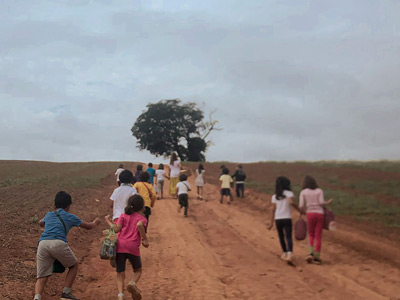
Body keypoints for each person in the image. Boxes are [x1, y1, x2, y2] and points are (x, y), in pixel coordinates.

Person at [34, 191, 101, 300]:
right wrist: (96, 222)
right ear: (69, 206)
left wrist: (44, 221)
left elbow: (41, 223)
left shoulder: (49, 214)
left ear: (54, 206)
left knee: (41, 277)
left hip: (42, 244)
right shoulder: (70, 217)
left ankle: (37, 297)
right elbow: (88, 226)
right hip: (58, 243)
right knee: (73, 265)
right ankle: (66, 293)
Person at [104, 195, 149, 300]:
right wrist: (145, 239)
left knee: (120, 273)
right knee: (138, 270)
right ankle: (132, 283)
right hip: (133, 247)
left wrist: (107, 220)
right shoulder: (142, 219)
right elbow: (139, 225)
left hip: (120, 246)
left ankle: (120, 295)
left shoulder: (123, 216)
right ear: (142, 206)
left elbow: (115, 229)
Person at [299, 175, 333, 264]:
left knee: (310, 234)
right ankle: (317, 256)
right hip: (319, 214)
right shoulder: (319, 191)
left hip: (309, 213)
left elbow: (301, 205)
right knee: (318, 236)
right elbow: (321, 202)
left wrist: (304, 211)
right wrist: (327, 202)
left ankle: (310, 253)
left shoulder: (303, 192)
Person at [268, 176, 300, 264]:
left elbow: (273, 209)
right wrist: (299, 210)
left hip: (278, 218)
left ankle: (284, 253)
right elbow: (292, 202)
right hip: (287, 217)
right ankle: (290, 254)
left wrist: (271, 223)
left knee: (281, 236)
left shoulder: (275, 196)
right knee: (288, 236)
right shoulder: (289, 193)